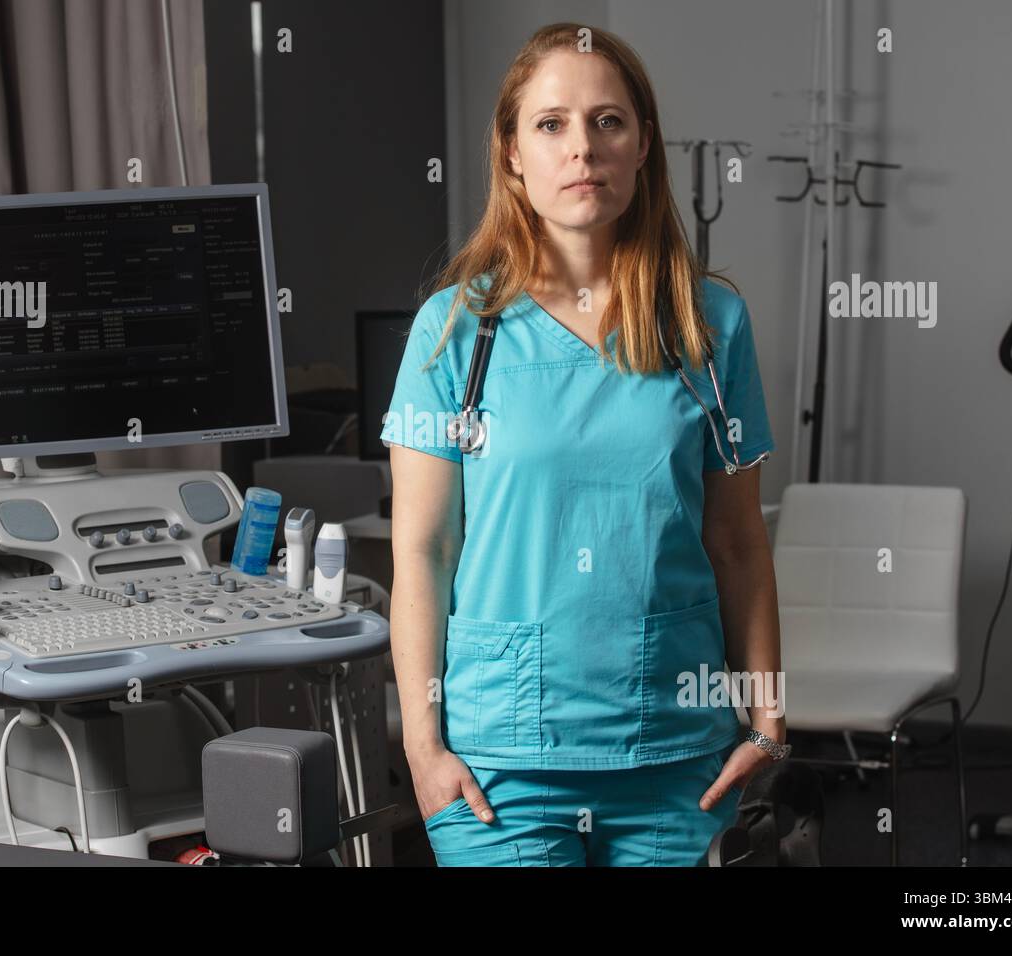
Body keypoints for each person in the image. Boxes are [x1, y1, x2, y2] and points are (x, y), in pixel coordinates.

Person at [382, 21, 786, 867]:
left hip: (676, 754)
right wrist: (423, 748)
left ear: (643, 147)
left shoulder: (711, 325)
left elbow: (739, 541)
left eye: (609, 122)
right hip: (499, 767)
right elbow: (422, 551)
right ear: (512, 154)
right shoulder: (455, 332)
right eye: (552, 124)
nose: (583, 150)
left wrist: (766, 716)